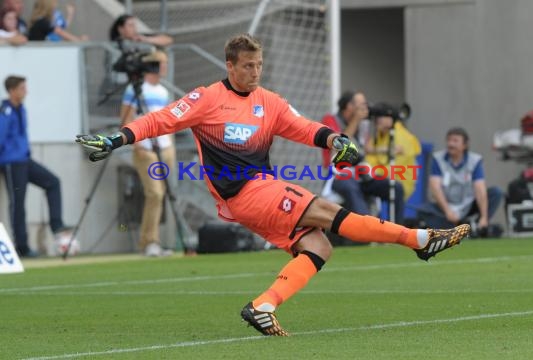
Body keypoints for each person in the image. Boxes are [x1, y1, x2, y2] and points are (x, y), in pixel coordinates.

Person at [76, 33, 470, 336]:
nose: (254, 72)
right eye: (247, 65)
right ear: (230, 66)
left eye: (259, 65)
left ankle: (264, 305)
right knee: (330, 212)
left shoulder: (270, 101)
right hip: (245, 191)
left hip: (257, 193)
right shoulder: (207, 98)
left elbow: (303, 128)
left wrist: (336, 140)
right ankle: (418, 240)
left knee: (319, 247)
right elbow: (157, 120)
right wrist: (115, 139)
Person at [0, 75, 73, 257]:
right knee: (18, 203)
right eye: (22, 88)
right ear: (12, 90)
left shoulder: (21, 109)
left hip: (24, 160)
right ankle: (22, 246)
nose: (26, 92)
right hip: (11, 162)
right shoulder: (4, 111)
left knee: (53, 182)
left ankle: (56, 225)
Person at [120, 51, 175, 257]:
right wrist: (138, 144)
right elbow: (126, 118)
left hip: (164, 147)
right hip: (146, 148)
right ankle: (149, 241)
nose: (165, 67)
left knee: (161, 195)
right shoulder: (135, 89)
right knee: (155, 193)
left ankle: (155, 241)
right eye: (162, 63)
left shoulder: (162, 90)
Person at [321, 91, 405, 223]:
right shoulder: (330, 120)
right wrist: (356, 120)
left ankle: (397, 233)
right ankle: (369, 232)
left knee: (395, 187)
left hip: (361, 173)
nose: (365, 108)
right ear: (349, 106)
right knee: (352, 187)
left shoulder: (363, 124)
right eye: (361, 105)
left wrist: (386, 147)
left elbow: (364, 148)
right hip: (339, 174)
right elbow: (339, 146)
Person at [417, 127, 503, 232]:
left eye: (455, 141)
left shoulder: (474, 161)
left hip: (468, 204)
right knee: (423, 210)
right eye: (449, 140)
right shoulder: (437, 159)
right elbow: (435, 188)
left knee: (496, 193)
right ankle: (465, 228)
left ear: (465, 145)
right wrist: (448, 211)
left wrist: (484, 217)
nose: (451, 144)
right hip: (445, 206)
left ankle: (478, 225)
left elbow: (480, 189)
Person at [365, 106, 421, 201]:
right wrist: (382, 150)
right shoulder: (381, 133)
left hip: (399, 182)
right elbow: (368, 152)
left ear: (390, 118)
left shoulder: (401, 136)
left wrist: (369, 169)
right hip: (383, 178)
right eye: (376, 117)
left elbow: (392, 167)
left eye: (380, 117)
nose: (376, 120)